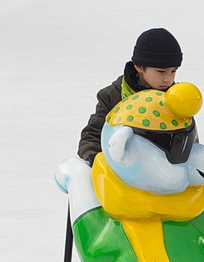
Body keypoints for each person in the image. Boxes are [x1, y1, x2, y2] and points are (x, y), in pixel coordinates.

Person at [77, 27, 184, 165]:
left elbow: (188, 139)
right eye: (161, 71)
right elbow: (92, 135)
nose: (168, 79)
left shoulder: (175, 99)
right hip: (122, 169)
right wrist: (94, 156)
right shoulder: (113, 96)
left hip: (162, 174)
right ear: (139, 67)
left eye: (173, 71)